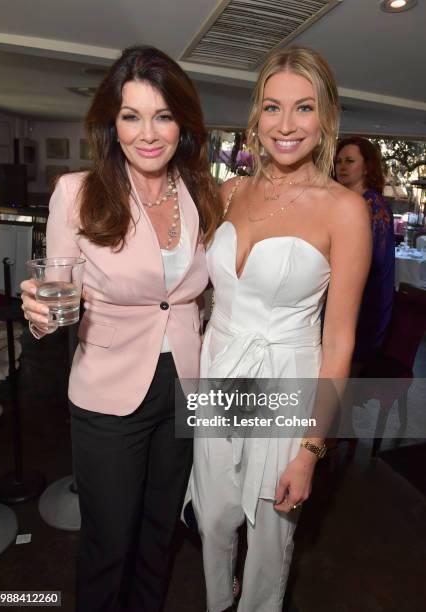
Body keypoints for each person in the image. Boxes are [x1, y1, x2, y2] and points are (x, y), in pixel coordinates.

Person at [20, 45, 221, 612]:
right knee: (111, 543)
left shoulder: (201, 193)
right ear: (113, 123)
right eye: (131, 116)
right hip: (108, 392)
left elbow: (198, 292)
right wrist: (39, 314)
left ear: (183, 123)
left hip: (186, 382)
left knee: (162, 533)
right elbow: (56, 294)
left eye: (162, 115)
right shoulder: (77, 192)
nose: (148, 133)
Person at [189, 46, 372, 611]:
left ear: (326, 117)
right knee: (214, 519)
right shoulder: (229, 193)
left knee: (269, 536)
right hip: (219, 373)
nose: (286, 125)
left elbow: (339, 341)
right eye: (273, 107)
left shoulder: (344, 209)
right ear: (256, 116)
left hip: (287, 382)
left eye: (303, 108)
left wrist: (310, 450)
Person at [335, 136, 395, 366]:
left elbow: (373, 265)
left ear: (367, 167)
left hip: (364, 303)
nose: (342, 166)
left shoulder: (374, 204)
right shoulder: (347, 201)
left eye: (350, 161)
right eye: (339, 161)